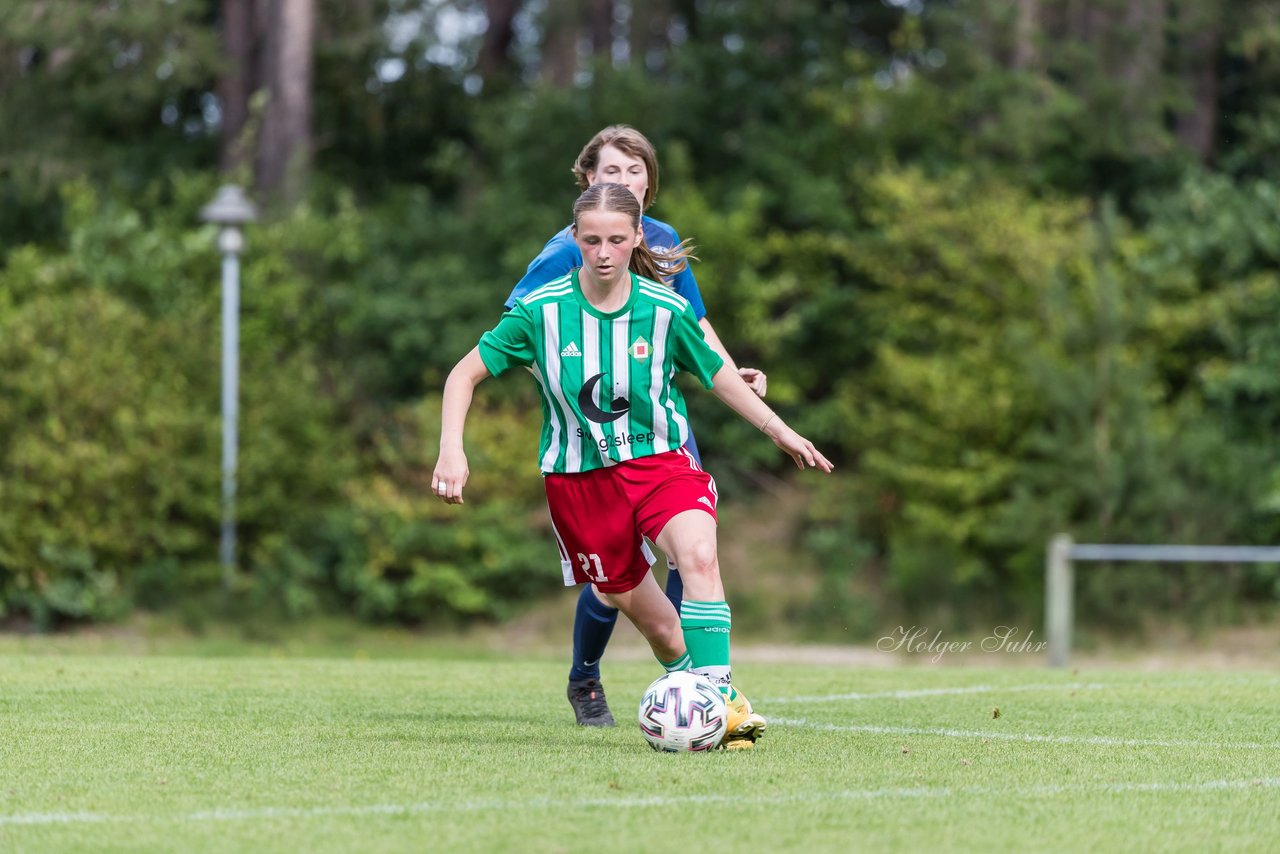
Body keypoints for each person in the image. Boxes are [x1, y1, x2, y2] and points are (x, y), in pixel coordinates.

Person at [433, 182, 832, 750]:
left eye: (616, 240)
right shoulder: (540, 313)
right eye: (591, 240)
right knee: (663, 629)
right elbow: (462, 375)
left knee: (697, 554)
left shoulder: (665, 309)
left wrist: (780, 429)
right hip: (580, 484)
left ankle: (715, 703)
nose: (603, 252)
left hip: (658, 462)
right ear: (574, 239)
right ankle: (704, 701)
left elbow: (718, 374)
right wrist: (453, 448)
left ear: (637, 237)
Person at [506, 125, 768, 728]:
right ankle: (586, 677)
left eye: (632, 171)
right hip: (595, 435)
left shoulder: (663, 240)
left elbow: (695, 325)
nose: (620, 181)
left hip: (662, 425)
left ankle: (693, 690)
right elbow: (517, 324)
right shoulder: (571, 247)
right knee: (620, 578)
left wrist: (730, 373)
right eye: (608, 172)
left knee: (691, 552)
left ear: (649, 181)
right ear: (586, 180)